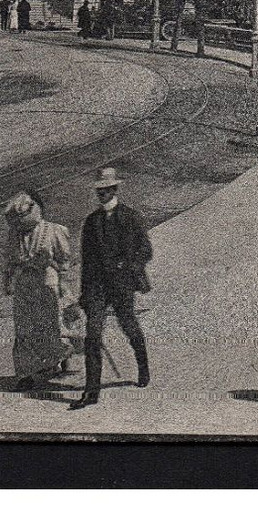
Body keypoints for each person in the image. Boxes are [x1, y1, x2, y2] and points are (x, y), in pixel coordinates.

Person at [70, 168, 152, 411]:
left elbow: (146, 251)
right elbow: (87, 261)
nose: (101, 194)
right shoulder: (91, 222)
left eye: (105, 190)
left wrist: (126, 265)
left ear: (115, 190)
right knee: (92, 335)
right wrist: (84, 295)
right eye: (99, 190)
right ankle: (91, 391)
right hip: (96, 287)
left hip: (122, 284)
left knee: (129, 325)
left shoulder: (131, 217)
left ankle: (143, 366)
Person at [2, 189, 74, 391]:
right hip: (24, 284)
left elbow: (65, 261)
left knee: (52, 325)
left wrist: (64, 286)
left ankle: (60, 358)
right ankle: (25, 373)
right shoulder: (14, 235)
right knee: (24, 328)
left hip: (47, 281)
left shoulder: (53, 231)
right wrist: (7, 281)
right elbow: (9, 261)